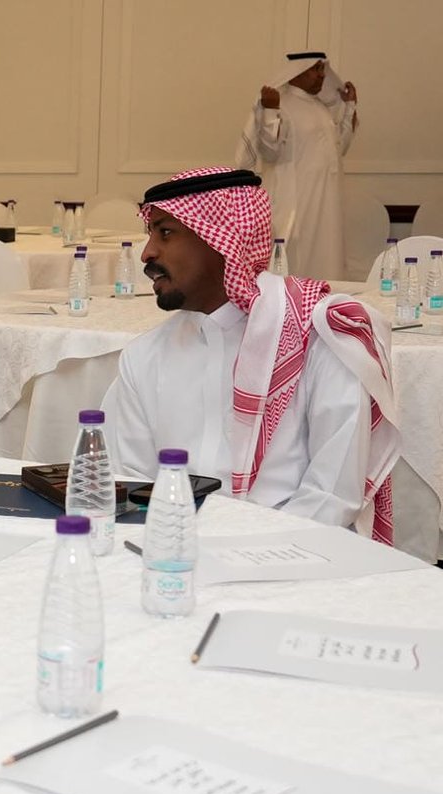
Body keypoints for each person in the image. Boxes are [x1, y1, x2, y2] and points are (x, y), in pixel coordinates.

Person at [103, 167, 398, 543]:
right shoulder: (144, 355)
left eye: (165, 232)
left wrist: (243, 553)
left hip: (295, 553)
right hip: (171, 553)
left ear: (222, 238)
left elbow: (333, 496)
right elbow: (132, 482)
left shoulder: (318, 336)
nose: (147, 253)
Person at [235, 51, 358, 281]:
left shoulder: (320, 107)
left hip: (328, 203)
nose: (321, 75)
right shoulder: (283, 104)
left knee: (328, 257)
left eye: (322, 69)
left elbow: (339, 147)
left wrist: (349, 106)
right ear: (298, 71)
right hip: (298, 203)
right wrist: (270, 110)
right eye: (315, 69)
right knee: (296, 263)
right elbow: (270, 152)